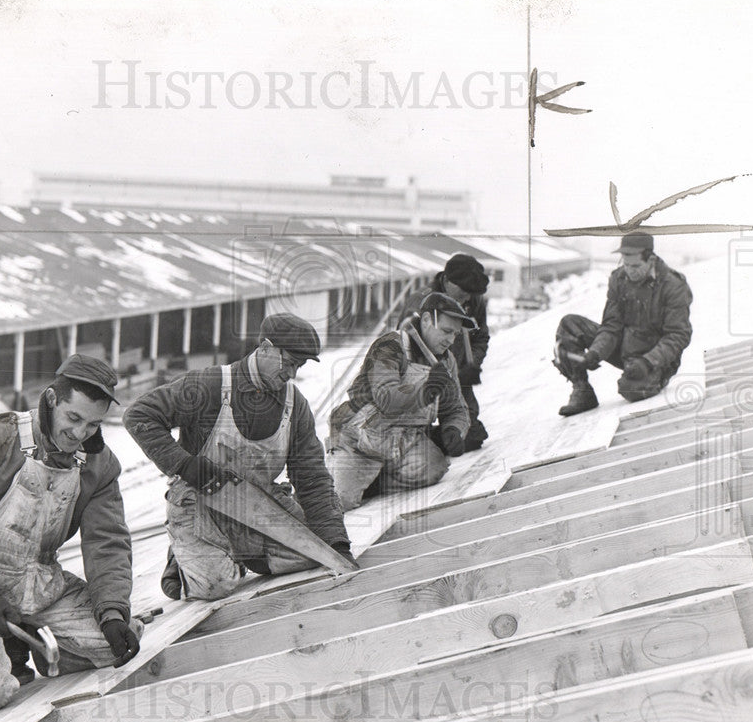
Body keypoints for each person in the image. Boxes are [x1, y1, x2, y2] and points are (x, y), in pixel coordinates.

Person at [0, 354, 143, 716]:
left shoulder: (99, 465)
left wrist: (112, 611)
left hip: (38, 584)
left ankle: (20, 643)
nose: (81, 434)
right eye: (74, 418)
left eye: (93, 425)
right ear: (51, 401)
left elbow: (107, 544)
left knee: (119, 642)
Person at [123, 313, 354, 602]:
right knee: (216, 586)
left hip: (256, 502)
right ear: (266, 347)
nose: (292, 374)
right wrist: (184, 464)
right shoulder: (210, 386)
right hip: (200, 501)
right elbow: (138, 415)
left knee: (319, 553)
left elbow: (313, 478)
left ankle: (234, 552)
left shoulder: (294, 407)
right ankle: (185, 564)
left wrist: (337, 544)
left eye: (299, 366)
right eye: (290, 363)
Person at [327, 292, 472, 511]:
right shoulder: (391, 346)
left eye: (456, 334)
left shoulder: (445, 360)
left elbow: (456, 409)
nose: (451, 340)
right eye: (446, 331)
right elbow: (386, 397)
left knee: (435, 467)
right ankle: (330, 471)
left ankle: (374, 483)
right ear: (425, 320)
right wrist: (426, 391)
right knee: (338, 502)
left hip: (404, 442)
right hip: (361, 440)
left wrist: (455, 429)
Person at [553, 232, 693, 416]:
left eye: (635, 266)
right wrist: (596, 352)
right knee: (570, 325)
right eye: (625, 264)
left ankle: (653, 377)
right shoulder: (619, 279)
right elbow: (612, 325)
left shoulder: (673, 285)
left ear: (650, 259)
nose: (629, 270)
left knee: (630, 389)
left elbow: (678, 335)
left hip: (655, 359)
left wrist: (648, 362)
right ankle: (583, 391)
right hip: (627, 346)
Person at [400, 253, 491, 451]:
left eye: (472, 293)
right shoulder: (420, 303)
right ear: (447, 281)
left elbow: (481, 337)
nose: (467, 297)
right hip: (423, 379)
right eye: (464, 291)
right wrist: (431, 378)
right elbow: (406, 348)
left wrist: (470, 363)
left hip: (457, 375)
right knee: (413, 442)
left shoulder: (473, 299)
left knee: (472, 436)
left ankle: (439, 438)